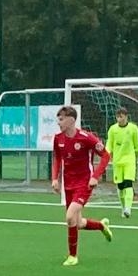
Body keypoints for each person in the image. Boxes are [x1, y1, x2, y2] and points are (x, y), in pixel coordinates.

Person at [50, 105, 112, 266]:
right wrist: (55, 179)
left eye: (61, 119)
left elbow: (106, 156)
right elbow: (57, 158)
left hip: (84, 184)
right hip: (68, 185)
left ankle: (73, 256)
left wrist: (95, 177)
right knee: (78, 223)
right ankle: (101, 226)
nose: (58, 123)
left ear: (71, 120)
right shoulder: (58, 139)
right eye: (58, 119)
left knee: (69, 216)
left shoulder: (86, 138)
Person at [106, 106, 138, 218]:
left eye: (121, 117)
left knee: (128, 184)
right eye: (118, 117)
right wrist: (105, 156)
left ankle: (128, 208)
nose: (119, 119)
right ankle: (123, 207)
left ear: (126, 117)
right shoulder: (113, 129)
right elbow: (109, 144)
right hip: (117, 162)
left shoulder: (133, 128)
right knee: (120, 186)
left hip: (129, 161)